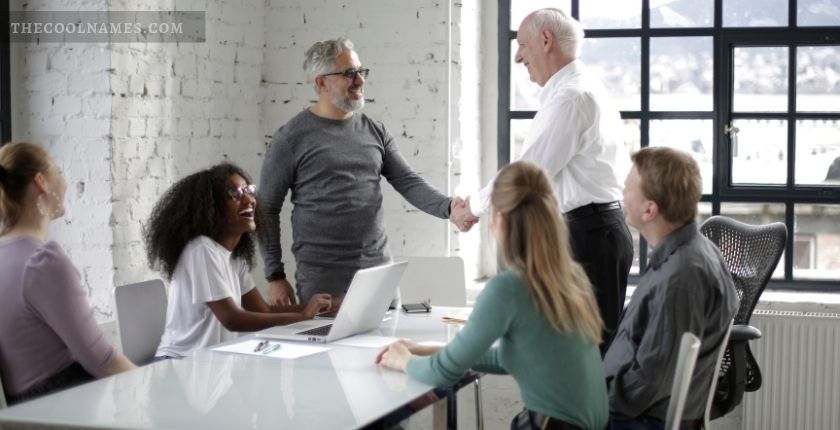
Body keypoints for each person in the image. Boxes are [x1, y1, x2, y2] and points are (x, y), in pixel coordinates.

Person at [377, 161, 609, 430]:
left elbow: (443, 372)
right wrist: (426, 349)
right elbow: (511, 357)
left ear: (498, 218)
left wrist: (403, 360)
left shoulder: (510, 288)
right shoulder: (571, 277)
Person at [456, 8, 632, 352]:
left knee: (584, 357)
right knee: (576, 353)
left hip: (589, 240)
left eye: (522, 45)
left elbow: (527, 175)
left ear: (546, 40)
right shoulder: (579, 89)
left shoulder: (570, 98)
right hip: (590, 234)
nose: (519, 55)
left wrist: (473, 209)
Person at [259, 37, 472, 306]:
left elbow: (408, 181)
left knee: (385, 348)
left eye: (360, 71)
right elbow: (266, 208)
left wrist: (449, 207)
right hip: (323, 280)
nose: (359, 80)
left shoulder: (375, 131)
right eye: (348, 73)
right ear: (321, 82)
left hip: (379, 274)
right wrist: (274, 275)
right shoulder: (290, 139)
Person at [603, 147, 738, 430]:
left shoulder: (681, 278)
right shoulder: (687, 252)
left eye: (627, 189)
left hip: (637, 418)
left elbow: (650, 380)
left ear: (650, 209)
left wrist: (596, 401)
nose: (621, 196)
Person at [144, 163, 332, 359]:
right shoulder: (201, 250)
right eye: (235, 194)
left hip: (209, 368)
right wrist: (301, 317)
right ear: (211, 206)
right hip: (178, 365)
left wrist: (321, 305)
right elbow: (232, 319)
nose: (249, 199)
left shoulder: (234, 257)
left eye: (249, 191)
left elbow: (264, 311)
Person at [0, 142, 136, 404]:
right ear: (41, 182)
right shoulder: (42, 262)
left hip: (26, 411)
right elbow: (104, 363)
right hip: (66, 407)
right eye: (58, 171)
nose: (65, 182)